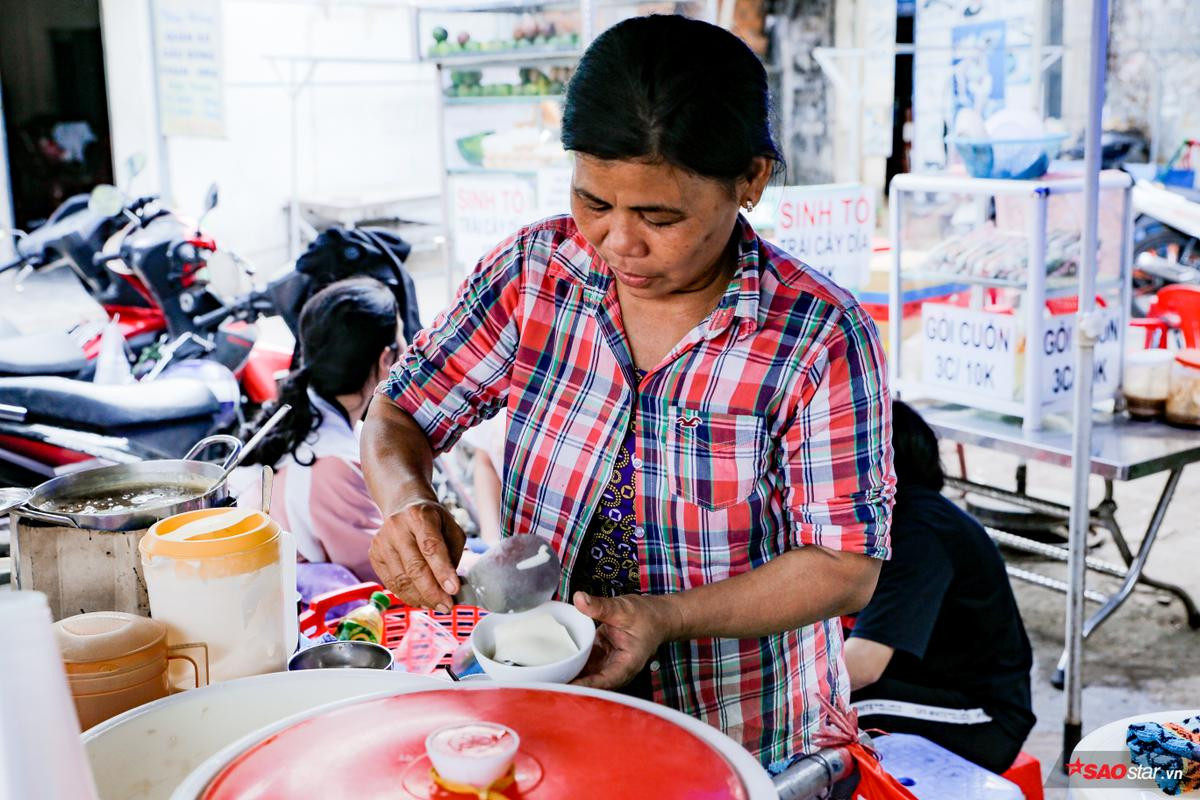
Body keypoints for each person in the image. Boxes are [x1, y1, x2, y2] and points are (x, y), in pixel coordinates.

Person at [362, 14, 894, 768]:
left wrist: (666, 617)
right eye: (594, 202)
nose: (617, 243)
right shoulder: (536, 274)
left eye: (659, 216)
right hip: (548, 710)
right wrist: (408, 504)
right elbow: (397, 412)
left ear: (750, 179)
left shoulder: (819, 337)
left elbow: (846, 567)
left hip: (742, 739)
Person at [844, 401, 1035, 773]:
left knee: (835, 708)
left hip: (982, 717)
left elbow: (863, 666)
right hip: (924, 684)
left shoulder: (920, 532)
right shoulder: (885, 520)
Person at [243, 277, 403, 583]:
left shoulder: (303, 419)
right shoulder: (335, 464)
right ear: (385, 359)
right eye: (402, 336)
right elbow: (390, 573)